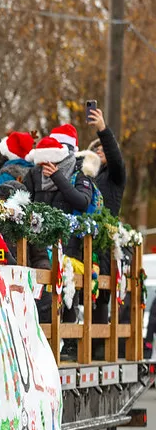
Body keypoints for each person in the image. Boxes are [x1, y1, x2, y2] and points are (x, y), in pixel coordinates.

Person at [23, 136, 100, 331]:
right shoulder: (34, 174)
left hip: (69, 244)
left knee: (68, 293)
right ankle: (47, 337)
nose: (43, 168)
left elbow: (82, 202)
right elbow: (26, 201)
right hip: (39, 243)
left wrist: (57, 177)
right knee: (44, 293)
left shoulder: (78, 173)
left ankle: (70, 340)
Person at [86, 108, 126, 326]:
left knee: (100, 293)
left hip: (104, 240)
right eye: (96, 149)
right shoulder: (89, 176)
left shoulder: (115, 176)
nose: (100, 151)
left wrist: (102, 129)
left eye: (104, 149)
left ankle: (98, 341)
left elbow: (116, 158)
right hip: (85, 237)